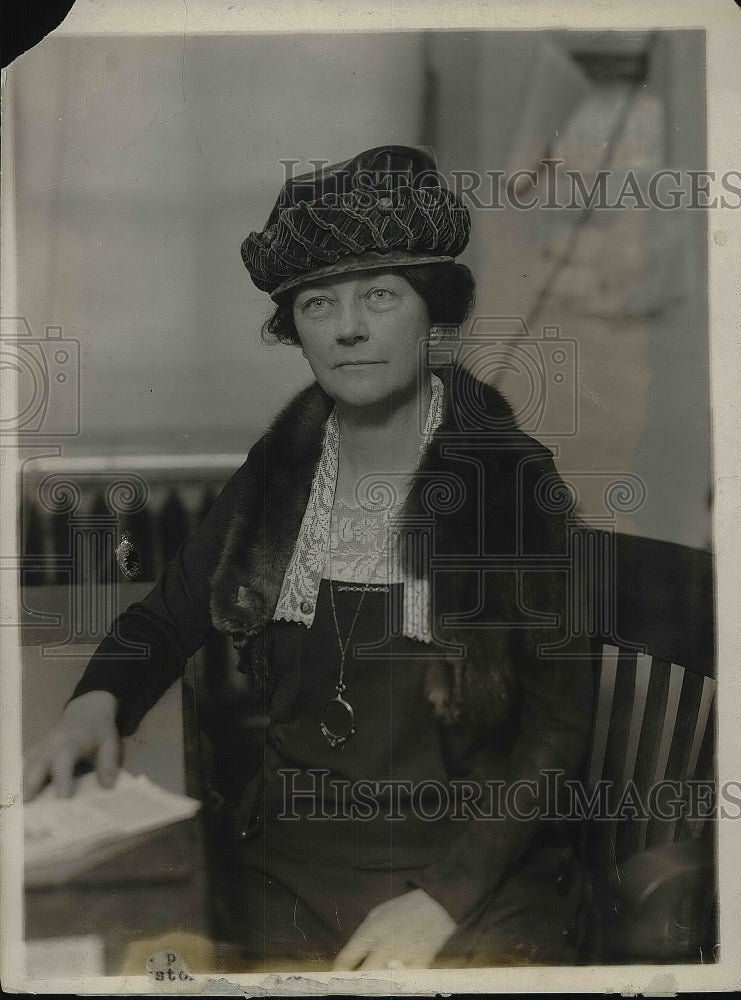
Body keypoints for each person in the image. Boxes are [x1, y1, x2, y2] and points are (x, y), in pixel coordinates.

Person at [24, 145, 593, 971]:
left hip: (472, 877)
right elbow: (161, 619)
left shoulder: (510, 479)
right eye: (319, 304)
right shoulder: (282, 472)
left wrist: (439, 905)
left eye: (380, 295)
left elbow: (557, 726)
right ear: (293, 327)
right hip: (289, 869)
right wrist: (94, 704)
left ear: (431, 316)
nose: (349, 326)